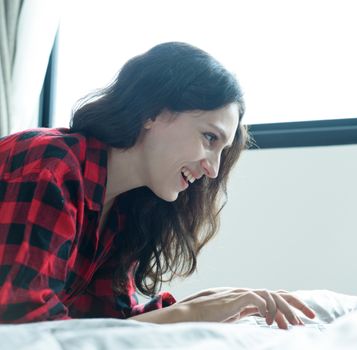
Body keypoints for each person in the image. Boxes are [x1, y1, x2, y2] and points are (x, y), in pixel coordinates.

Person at [0, 42, 315, 328]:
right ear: (153, 112)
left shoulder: (125, 208)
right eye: (209, 138)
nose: (213, 169)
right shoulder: (49, 167)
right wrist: (191, 314)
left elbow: (106, 323)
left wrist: (208, 304)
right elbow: (24, 327)